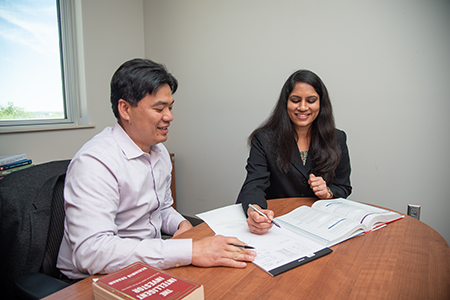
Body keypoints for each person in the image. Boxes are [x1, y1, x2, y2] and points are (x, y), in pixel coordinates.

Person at [57, 58, 255, 280]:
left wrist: (181, 223)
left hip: (145, 263)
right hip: (93, 278)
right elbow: (91, 253)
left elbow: (160, 209)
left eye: (170, 107)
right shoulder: (95, 163)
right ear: (125, 109)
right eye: (159, 108)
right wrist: (190, 250)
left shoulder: (159, 153)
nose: (169, 116)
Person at [237, 69, 352, 235]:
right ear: (286, 103)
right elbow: (254, 185)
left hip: (320, 224)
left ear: (321, 104)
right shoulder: (264, 139)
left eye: (311, 100)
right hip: (279, 223)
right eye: (295, 100)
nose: (303, 107)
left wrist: (328, 192)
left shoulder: (337, 138)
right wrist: (255, 212)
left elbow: (343, 187)